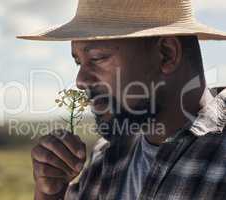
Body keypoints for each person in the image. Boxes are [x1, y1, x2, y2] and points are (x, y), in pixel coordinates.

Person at [17, 0, 226, 199]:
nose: (81, 81)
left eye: (97, 58)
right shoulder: (105, 158)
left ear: (167, 54)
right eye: (78, 62)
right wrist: (49, 194)